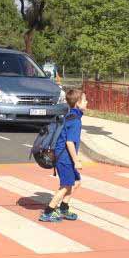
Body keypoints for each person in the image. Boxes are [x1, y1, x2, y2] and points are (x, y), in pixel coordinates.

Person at [40, 88, 87, 223]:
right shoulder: (75, 120)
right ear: (77, 103)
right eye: (84, 100)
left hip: (64, 157)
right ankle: (48, 212)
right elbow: (70, 142)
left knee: (76, 182)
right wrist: (76, 160)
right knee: (66, 185)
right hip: (65, 158)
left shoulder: (71, 115)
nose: (87, 102)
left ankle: (63, 209)